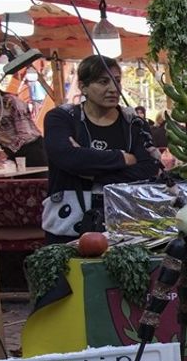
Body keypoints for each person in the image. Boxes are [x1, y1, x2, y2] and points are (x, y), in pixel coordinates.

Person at [42, 55, 161, 243]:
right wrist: (122, 159)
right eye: (103, 82)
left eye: (117, 81)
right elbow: (65, 156)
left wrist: (89, 173)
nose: (113, 89)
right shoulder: (61, 118)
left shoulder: (135, 124)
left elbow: (149, 169)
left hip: (123, 227)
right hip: (66, 228)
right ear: (83, 86)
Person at [0, 76, 46, 166]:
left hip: (31, 148)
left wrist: (7, 151)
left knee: (35, 179)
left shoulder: (11, 102)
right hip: (8, 150)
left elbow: (25, 133)